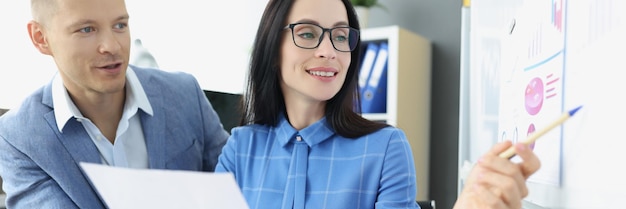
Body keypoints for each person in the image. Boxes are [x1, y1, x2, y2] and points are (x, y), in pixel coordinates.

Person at [215, 0, 540, 208]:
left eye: (341, 36)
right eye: (308, 33)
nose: (329, 50)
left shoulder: (385, 147)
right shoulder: (240, 148)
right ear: (273, 50)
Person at [0, 0, 229, 208]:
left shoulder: (184, 93)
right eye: (86, 29)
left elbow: (238, 186)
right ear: (41, 37)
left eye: (120, 25)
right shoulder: (19, 137)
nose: (112, 46)